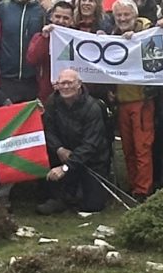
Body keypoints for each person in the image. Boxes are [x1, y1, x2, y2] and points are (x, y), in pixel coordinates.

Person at [39, 69, 113, 214]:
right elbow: (48, 131)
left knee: (93, 205)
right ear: (57, 85)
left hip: (91, 161)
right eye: (62, 83)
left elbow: (90, 145)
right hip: (62, 155)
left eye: (70, 83)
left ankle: (76, 195)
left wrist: (66, 167)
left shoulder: (93, 108)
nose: (66, 87)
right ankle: (62, 197)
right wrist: (59, 148)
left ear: (79, 84)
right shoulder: (52, 102)